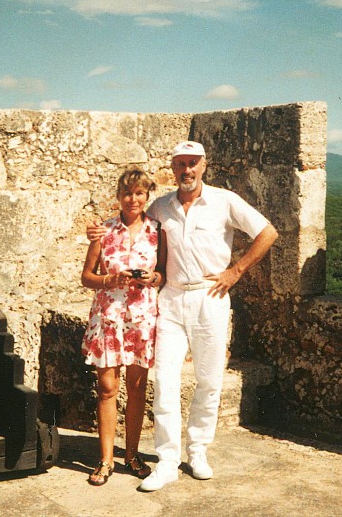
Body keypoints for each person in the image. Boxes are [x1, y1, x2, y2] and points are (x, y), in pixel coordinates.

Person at [87, 140, 278, 492]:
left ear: (204, 165)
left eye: (193, 163)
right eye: (180, 164)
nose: (186, 170)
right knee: (166, 382)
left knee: (208, 379)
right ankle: (168, 460)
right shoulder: (161, 206)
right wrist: (96, 232)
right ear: (172, 169)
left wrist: (236, 271)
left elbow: (267, 232)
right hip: (171, 299)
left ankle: (199, 450)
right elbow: (130, 225)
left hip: (211, 296)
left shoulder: (225, 201)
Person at [80, 168, 167, 486]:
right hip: (109, 317)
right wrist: (108, 280)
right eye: (128, 193)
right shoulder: (102, 231)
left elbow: (163, 275)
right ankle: (105, 460)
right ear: (119, 197)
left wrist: (152, 278)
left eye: (140, 193)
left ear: (147, 197)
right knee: (107, 389)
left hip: (142, 318)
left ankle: (131, 455)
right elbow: (86, 276)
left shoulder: (157, 230)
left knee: (137, 388)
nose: (133, 198)